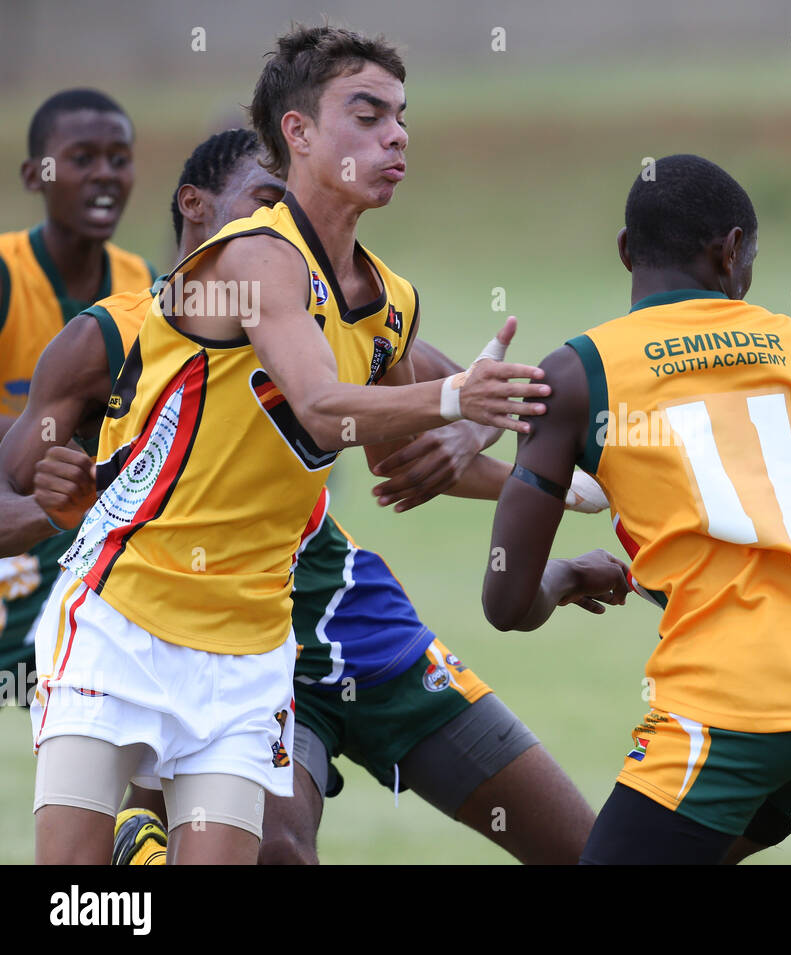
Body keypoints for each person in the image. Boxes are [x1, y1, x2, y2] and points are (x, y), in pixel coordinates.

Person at [25, 24, 561, 865]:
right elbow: (319, 408)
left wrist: (559, 483)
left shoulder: (390, 300)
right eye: (367, 113)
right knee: (77, 898)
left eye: (402, 117)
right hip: (125, 617)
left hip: (250, 645)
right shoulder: (255, 256)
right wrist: (455, 398)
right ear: (299, 133)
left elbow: (398, 460)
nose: (395, 135)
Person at [482, 154, 791, 864]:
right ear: (731, 250)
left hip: (736, 712)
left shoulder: (576, 373)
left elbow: (506, 599)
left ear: (624, 250)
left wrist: (568, 578)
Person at [0, 89, 154, 690]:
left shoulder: (138, 280)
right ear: (33, 174)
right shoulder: (9, 274)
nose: (105, 176)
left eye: (119, 158)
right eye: (82, 158)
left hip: (81, 513)